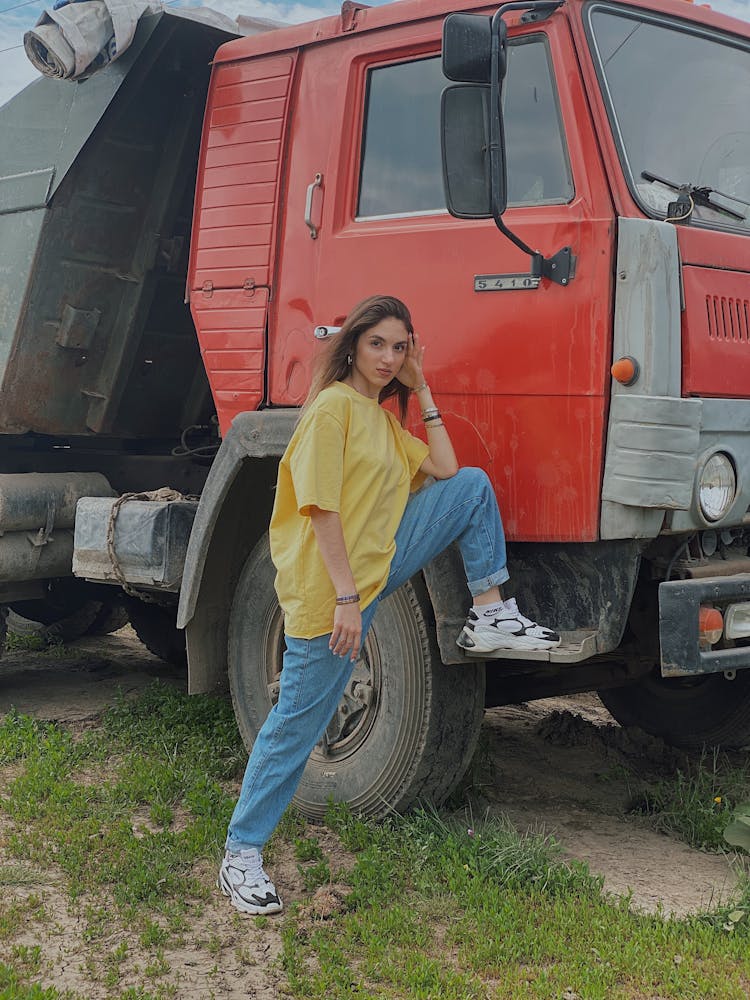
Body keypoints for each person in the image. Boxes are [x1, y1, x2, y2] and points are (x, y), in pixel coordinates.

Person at [218, 294, 560, 915]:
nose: (388, 357)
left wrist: (422, 387)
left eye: (400, 347)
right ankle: (240, 853)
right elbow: (320, 509)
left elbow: (447, 469)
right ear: (352, 345)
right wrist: (347, 598)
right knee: (300, 722)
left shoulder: (380, 421)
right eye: (378, 344)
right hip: (333, 591)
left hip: (379, 564)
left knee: (471, 489)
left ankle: (490, 612)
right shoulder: (332, 410)